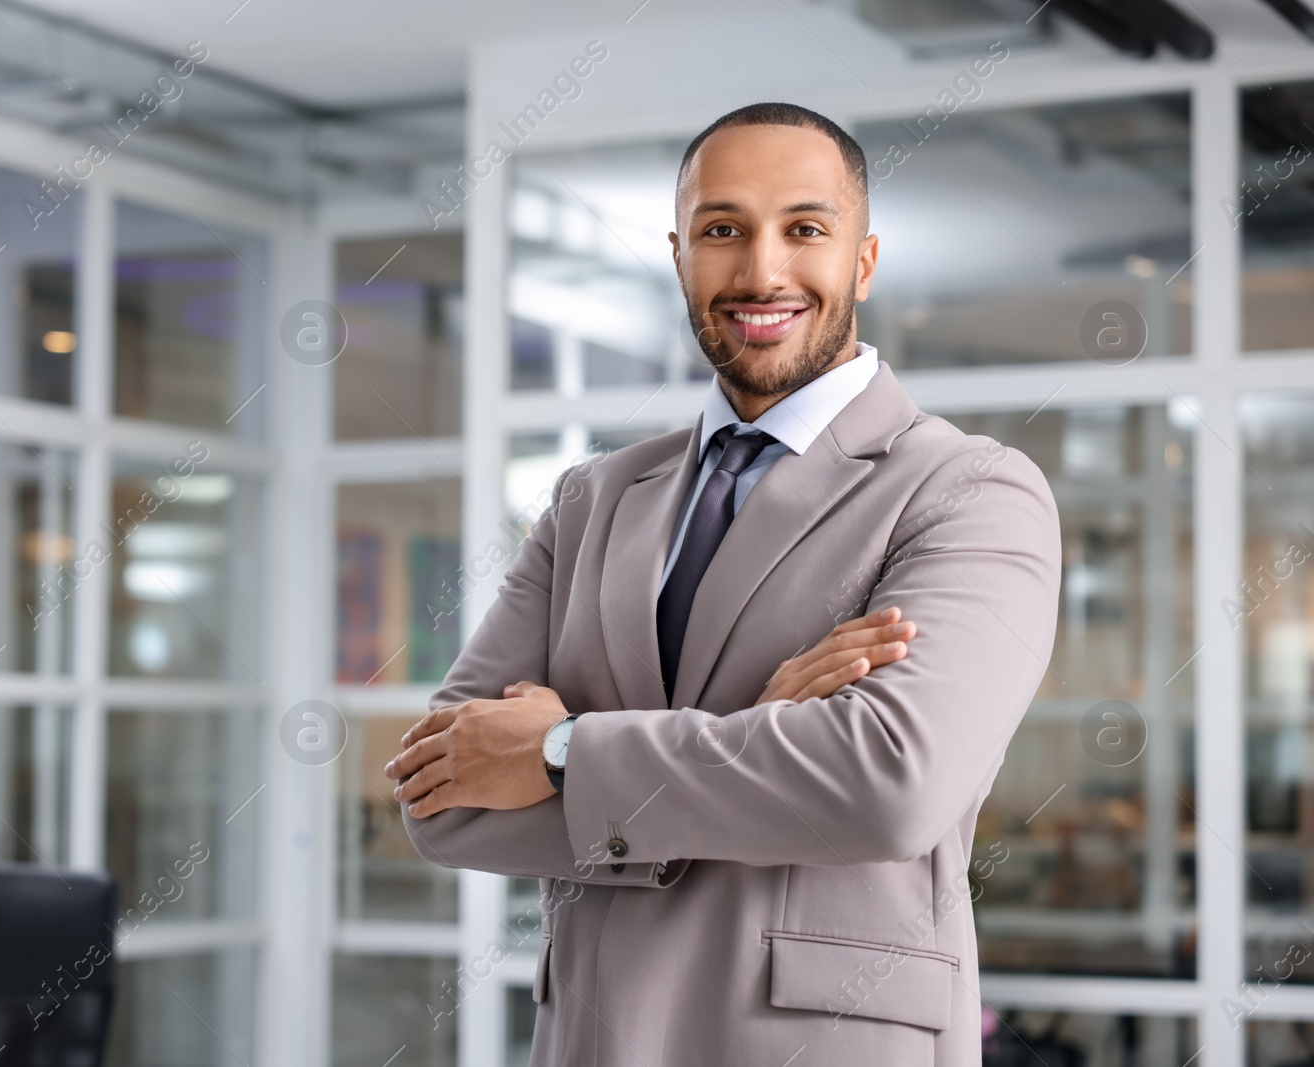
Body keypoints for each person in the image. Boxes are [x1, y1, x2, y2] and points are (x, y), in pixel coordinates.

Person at [384, 101, 1061, 1066]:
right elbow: (440, 797)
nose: (761, 271)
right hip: (595, 1037)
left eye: (806, 229)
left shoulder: (967, 491)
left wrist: (567, 750)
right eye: (722, 231)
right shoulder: (591, 499)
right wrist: (766, 729)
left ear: (862, 261)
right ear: (678, 255)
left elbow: (887, 785)